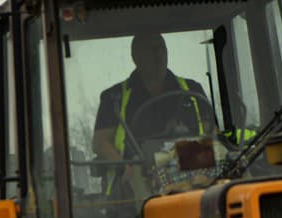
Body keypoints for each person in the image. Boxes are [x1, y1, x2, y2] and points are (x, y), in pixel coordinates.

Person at [92, 33, 215, 180]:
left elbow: (213, 133)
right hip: (136, 185)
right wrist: (124, 167)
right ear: (135, 57)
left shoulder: (192, 90)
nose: (158, 55)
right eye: (150, 50)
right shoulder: (113, 97)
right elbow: (100, 143)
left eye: (161, 49)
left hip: (194, 177)